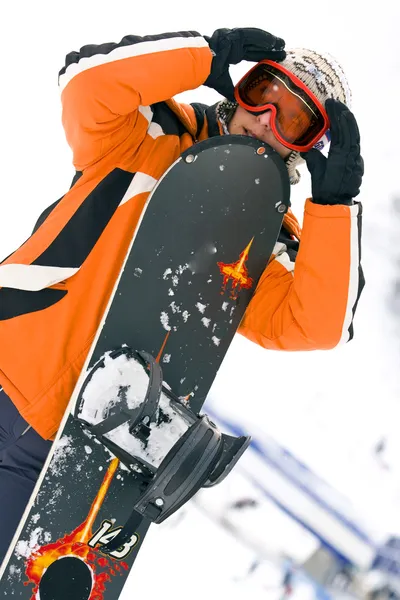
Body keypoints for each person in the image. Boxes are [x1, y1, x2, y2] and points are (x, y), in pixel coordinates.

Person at [0, 27, 364, 564]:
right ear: (243, 88)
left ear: (306, 145)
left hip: (63, 453)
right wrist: (204, 55)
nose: (266, 118)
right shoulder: (149, 132)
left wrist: (336, 206)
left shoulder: (265, 241)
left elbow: (314, 324)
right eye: (265, 92)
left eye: (293, 118)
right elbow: (84, 85)